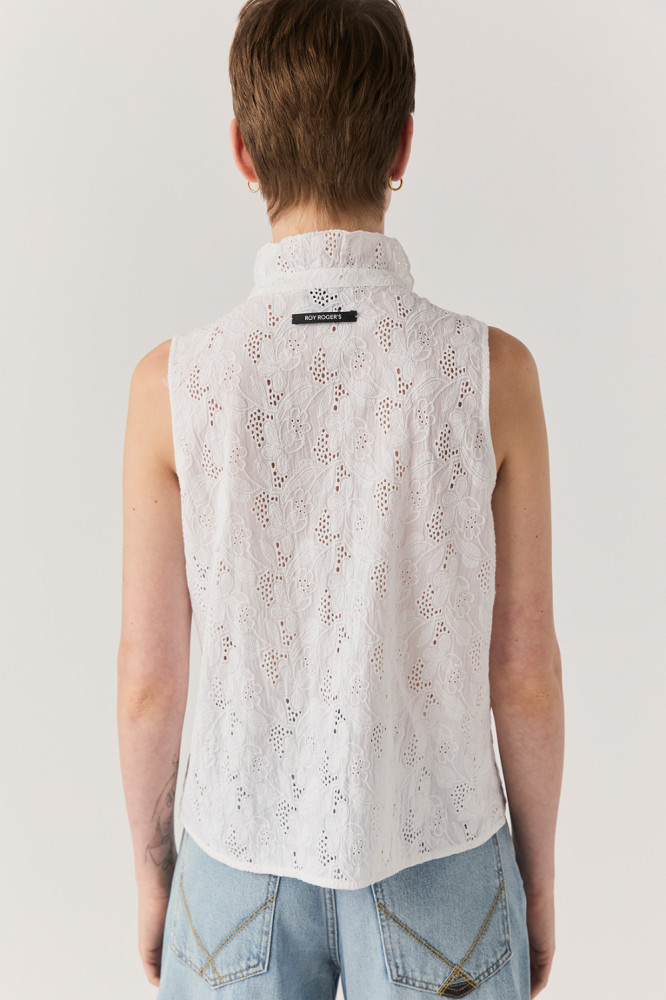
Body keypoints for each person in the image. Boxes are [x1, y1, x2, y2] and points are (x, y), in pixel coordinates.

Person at [117, 1, 564, 997]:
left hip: (233, 866)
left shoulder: (170, 387)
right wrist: (535, 883)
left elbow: (150, 678)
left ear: (244, 152)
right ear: (403, 145)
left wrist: (153, 877)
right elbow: (525, 672)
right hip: (445, 858)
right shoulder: (493, 375)